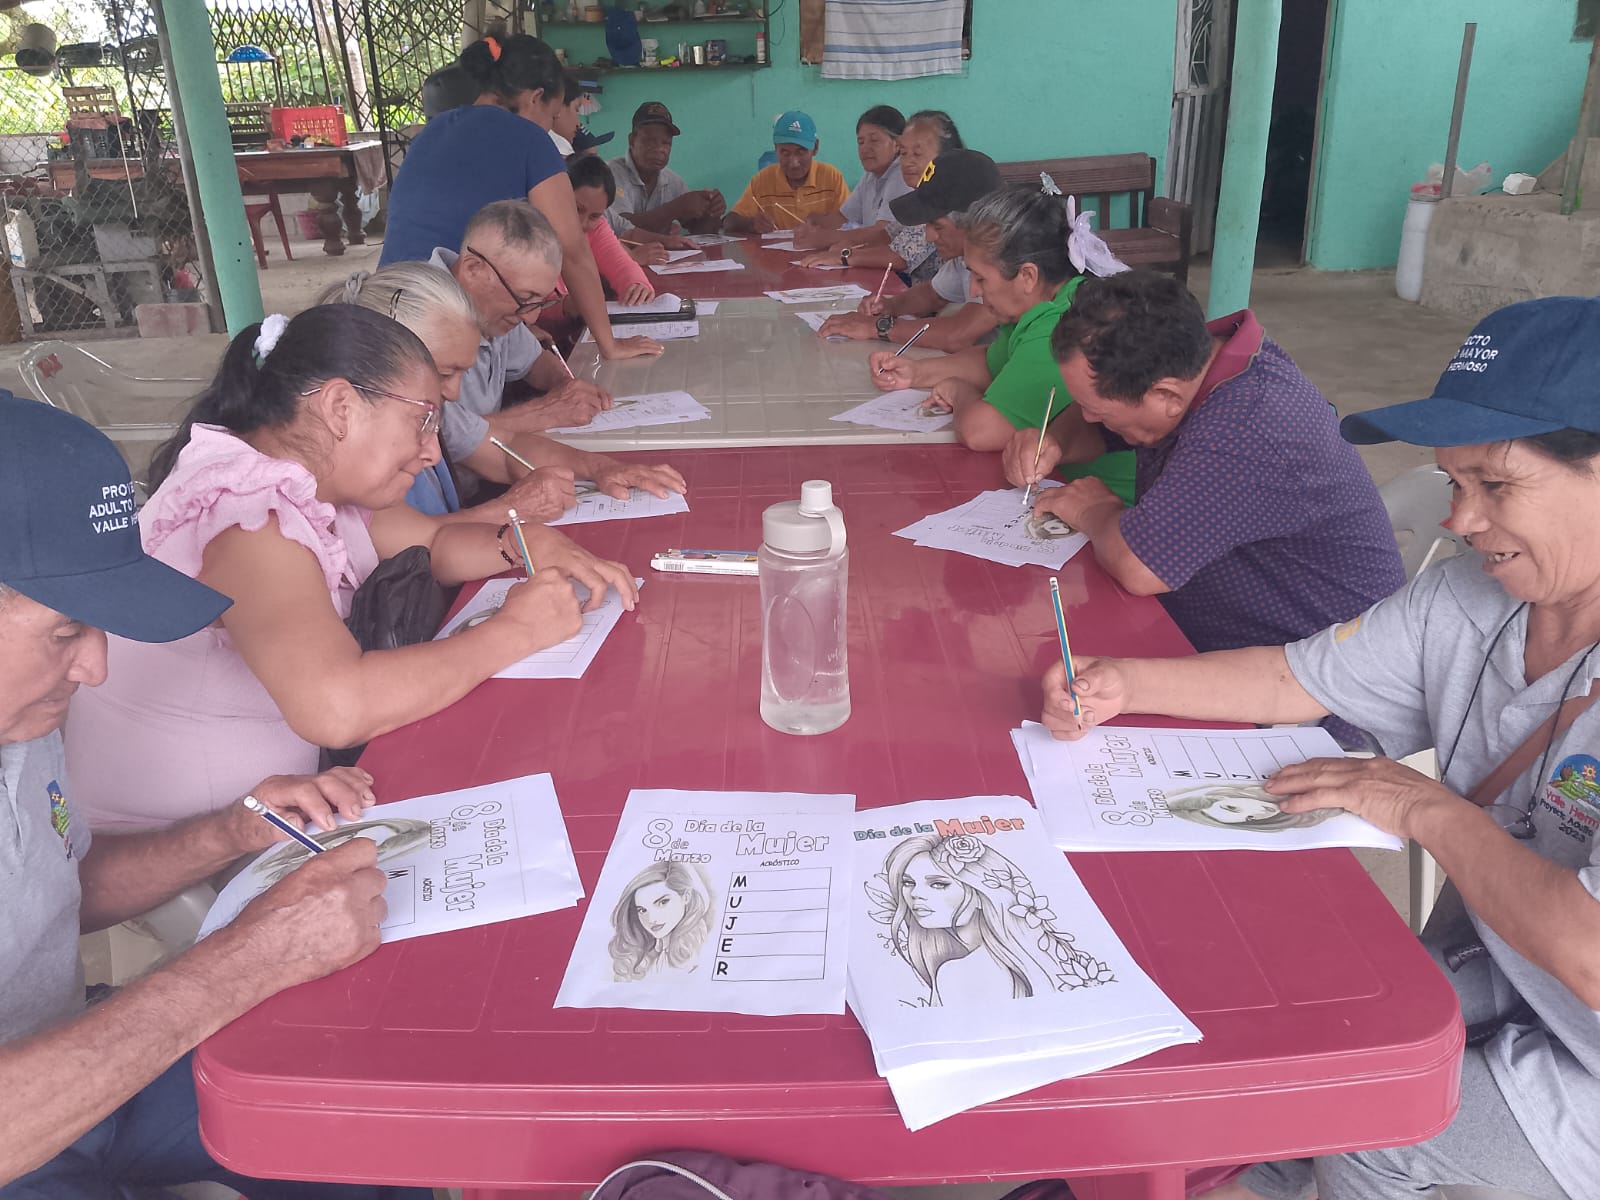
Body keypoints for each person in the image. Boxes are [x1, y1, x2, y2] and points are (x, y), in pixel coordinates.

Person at [1044, 296, 1600, 1200]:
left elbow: (1591, 957)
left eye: (1496, 487)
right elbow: (1293, 679)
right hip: (1509, 965)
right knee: (1310, 1042)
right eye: (1454, 484)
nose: (1462, 521)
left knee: (1369, 1128)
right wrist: (1123, 684)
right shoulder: (1469, 600)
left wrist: (1423, 806)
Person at [0, 394, 425, 1198]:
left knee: (373, 1107)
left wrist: (230, 831)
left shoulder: (22, 718)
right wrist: (245, 963)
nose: (96, 668)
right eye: (65, 632)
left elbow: (55, 888)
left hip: (84, 1059)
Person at [65, 305, 634, 833]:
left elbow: (433, 542)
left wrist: (524, 542)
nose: (433, 451)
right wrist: (516, 632)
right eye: (423, 421)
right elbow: (337, 707)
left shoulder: (310, 481)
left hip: (281, 804)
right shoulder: (248, 517)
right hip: (189, 844)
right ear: (340, 408)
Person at [1004, 268, 1404, 657]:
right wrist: (1053, 442)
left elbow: (1139, 567)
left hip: (1319, 671)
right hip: (1222, 632)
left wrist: (1093, 511)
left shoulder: (1247, 425)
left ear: (1166, 396)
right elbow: (1094, 424)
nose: (1087, 417)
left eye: (1098, 411)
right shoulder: (1185, 361)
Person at [326, 256, 684, 523]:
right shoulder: (342, 458)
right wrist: (509, 509)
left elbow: (502, 448)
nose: (454, 393)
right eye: (446, 372)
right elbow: (417, 543)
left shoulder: (425, 408)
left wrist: (601, 467)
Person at [379, 30, 660, 363]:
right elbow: (573, 251)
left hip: (384, 308)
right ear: (535, 97)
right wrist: (609, 345)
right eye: (553, 116)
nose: (550, 127)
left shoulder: (432, 132)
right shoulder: (529, 139)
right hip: (441, 321)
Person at [404, 201, 685, 513]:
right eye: (525, 300)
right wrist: (545, 412)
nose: (532, 318)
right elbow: (458, 443)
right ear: (474, 269)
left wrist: (568, 388)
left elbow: (533, 366)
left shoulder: (494, 304)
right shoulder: (415, 320)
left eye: (540, 302)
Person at [871, 185, 1137, 503]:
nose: (972, 291)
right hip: (1069, 488)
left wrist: (958, 391)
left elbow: (980, 431)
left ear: (1027, 276)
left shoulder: (1062, 327)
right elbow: (991, 362)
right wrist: (916, 372)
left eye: (981, 279)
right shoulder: (1047, 303)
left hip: (1115, 503)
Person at [872, 833, 1113, 1006]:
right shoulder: (1021, 958)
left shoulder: (958, 973)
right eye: (907, 883)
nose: (915, 894)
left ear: (981, 892)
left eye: (938, 884)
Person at [817, 147, 1002, 352]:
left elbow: (957, 335)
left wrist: (876, 327)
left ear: (975, 223)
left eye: (938, 226)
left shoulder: (1004, 258)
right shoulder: (965, 255)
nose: (929, 236)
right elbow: (933, 294)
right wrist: (891, 306)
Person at [797, 109, 963, 280]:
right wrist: (850, 246)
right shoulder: (920, 195)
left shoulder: (947, 198)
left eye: (917, 153)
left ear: (946, 156)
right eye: (904, 153)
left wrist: (845, 255)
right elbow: (887, 234)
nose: (907, 162)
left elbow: (900, 256)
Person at [791, 106, 910, 250]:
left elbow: (883, 234)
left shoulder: (902, 174)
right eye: (861, 142)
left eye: (874, 140)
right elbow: (842, 217)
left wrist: (826, 238)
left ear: (897, 144)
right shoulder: (870, 176)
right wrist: (813, 223)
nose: (865, 148)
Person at [605, 101, 725, 237]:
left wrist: (712, 211)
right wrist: (675, 208)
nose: (660, 149)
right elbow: (620, 228)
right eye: (650, 141)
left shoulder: (673, 181)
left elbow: (701, 233)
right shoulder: (610, 174)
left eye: (666, 143)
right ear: (632, 141)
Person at [724, 111, 850, 235]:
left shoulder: (831, 177)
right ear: (775, 149)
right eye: (785, 153)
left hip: (822, 248)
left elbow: (851, 222)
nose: (794, 163)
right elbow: (729, 222)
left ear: (815, 147)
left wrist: (826, 223)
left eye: (801, 152)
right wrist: (751, 224)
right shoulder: (762, 180)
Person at [569, 155, 657, 301]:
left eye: (594, 216)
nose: (583, 223)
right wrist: (566, 306)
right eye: (578, 209)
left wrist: (637, 286)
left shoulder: (596, 229)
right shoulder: (537, 229)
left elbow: (622, 266)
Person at [608, 861, 714, 981]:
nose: (651, 919)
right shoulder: (655, 954)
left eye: (662, 902)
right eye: (642, 910)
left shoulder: (697, 954)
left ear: (686, 897)